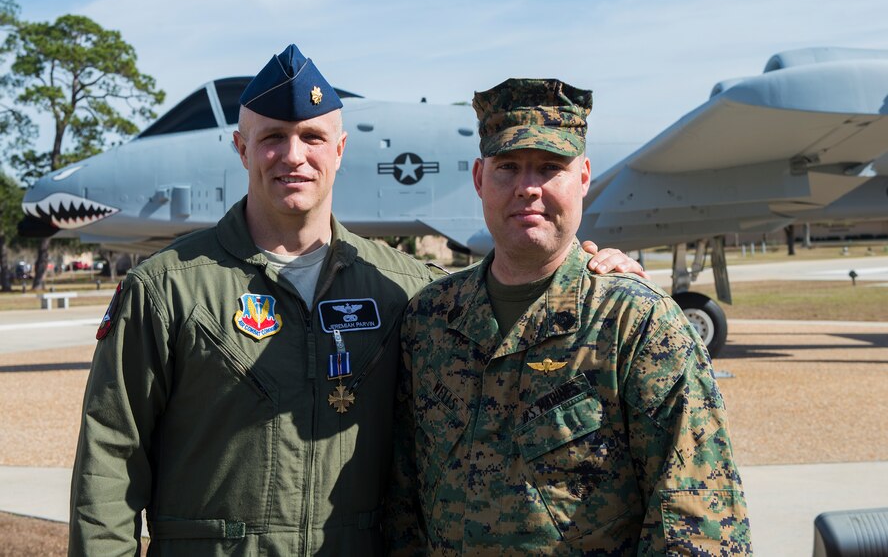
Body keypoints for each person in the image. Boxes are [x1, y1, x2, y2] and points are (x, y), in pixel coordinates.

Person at [69, 46, 643, 556]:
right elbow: (110, 464)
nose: (294, 155)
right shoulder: (168, 288)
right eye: (272, 137)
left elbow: (513, 310)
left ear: (341, 150)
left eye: (313, 138)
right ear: (242, 148)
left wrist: (593, 269)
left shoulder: (405, 290)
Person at [387, 78, 751, 554]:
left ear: (582, 178)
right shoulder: (431, 321)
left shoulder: (637, 323)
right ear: (479, 178)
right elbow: (403, 505)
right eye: (508, 167)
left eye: (550, 168)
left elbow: (697, 516)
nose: (527, 188)